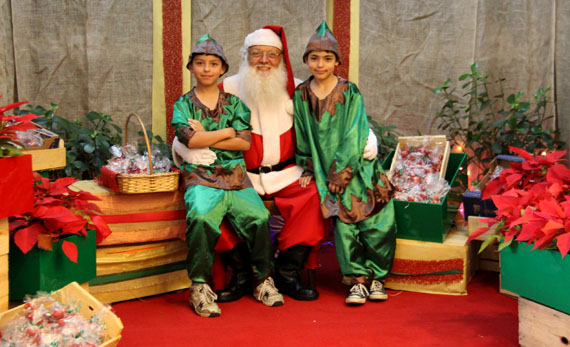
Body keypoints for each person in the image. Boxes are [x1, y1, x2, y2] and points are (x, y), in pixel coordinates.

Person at [178, 26, 379, 303]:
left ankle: (287, 271)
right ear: (244, 56)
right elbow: (190, 125)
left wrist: (368, 136)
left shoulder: (299, 88)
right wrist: (183, 147)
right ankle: (242, 273)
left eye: (271, 55)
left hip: (288, 172)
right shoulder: (226, 88)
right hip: (239, 174)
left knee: (311, 198)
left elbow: (335, 120)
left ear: (281, 58)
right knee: (214, 203)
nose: (263, 61)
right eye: (256, 54)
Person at [171, 34, 284, 318]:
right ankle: (199, 286)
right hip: (200, 175)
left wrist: (205, 135)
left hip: (235, 176)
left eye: (212, 64)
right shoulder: (182, 104)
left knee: (259, 218)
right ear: (191, 68)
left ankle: (262, 280)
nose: (206, 69)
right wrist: (226, 132)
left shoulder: (235, 104)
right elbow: (188, 141)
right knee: (201, 217)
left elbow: (244, 144)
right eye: (200, 63)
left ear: (222, 69)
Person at [293, 22, 397, 305]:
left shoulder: (350, 92)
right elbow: (302, 132)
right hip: (326, 172)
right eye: (314, 58)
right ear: (305, 60)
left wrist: (341, 174)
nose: (320, 64)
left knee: (377, 225)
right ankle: (357, 280)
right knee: (345, 227)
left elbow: (354, 132)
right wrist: (307, 165)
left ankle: (377, 277)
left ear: (337, 62)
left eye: (327, 58)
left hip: (358, 171)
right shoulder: (301, 94)